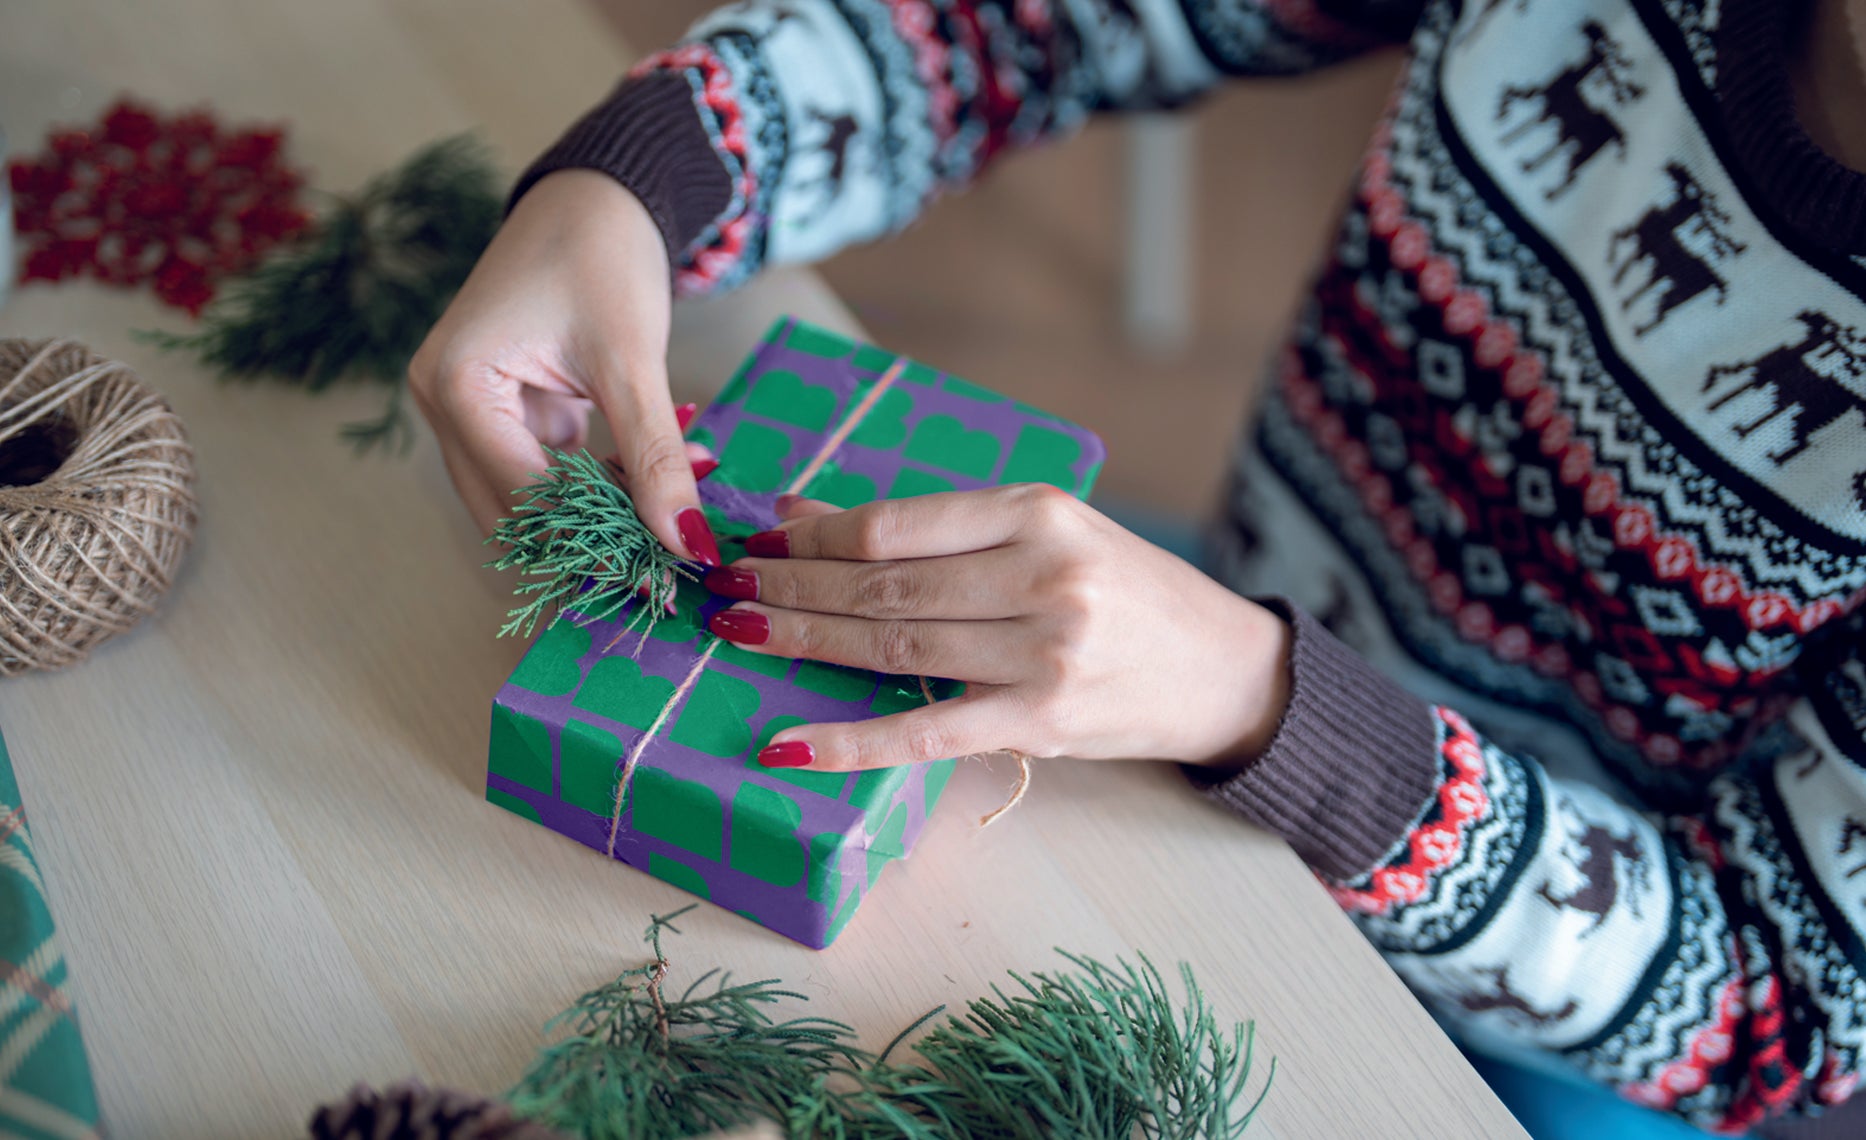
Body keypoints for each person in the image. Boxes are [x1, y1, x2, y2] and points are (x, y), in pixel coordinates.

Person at [409, 1, 1866, 1135]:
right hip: (1228, 635)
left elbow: (1777, 1006)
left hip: (1556, 1021)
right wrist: (644, 174)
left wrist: (1257, 698)